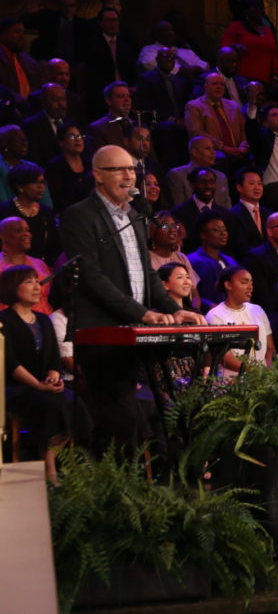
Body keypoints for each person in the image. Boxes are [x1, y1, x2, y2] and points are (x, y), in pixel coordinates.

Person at [61, 145, 203, 453]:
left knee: (136, 420)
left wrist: (174, 309)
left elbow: (148, 274)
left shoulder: (136, 216)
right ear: (98, 175)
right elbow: (93, 277)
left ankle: (129, 478)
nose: (129, 176)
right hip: (100, 331)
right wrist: (143, 313)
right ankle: (110, 480)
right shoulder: (79, 216)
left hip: (133, 332)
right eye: (119, 169)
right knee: (119, 419)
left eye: (132, 169)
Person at [1, 265, 88, 483]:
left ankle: (55, 459)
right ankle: (49, 466)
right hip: (16, 388)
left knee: (74, 402)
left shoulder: (43, 320)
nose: (37, 286)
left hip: (44, 386)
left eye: (38, 281)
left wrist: (53, 376)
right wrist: (39, 385)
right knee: (52, 404)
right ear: (13, 287)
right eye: (29, 282)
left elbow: (53, 359)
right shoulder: (4, 320)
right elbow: (10, 363)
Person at [205, 266, 273, 376]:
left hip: (262, 379)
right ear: (228, 285)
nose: (250, 287)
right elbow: (224, 356)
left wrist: (268, 372)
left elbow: (270, 347)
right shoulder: (215, 315)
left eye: (251, 283)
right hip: (232, 381)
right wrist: (256, 372)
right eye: (244, 282)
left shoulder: (258, 310)